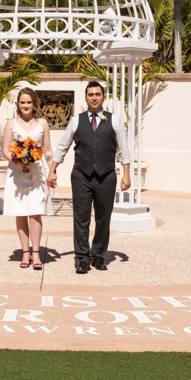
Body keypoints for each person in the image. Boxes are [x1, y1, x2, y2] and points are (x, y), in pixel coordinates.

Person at [47, 80, 131, 274]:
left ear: (103, 97)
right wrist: (53, 169)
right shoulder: (76, 120)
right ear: (86, 97)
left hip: (107, 176)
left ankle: (99, 256)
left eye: (98, 94)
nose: (94, 97)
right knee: (81, 219)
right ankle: (83, 258)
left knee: (103, 218)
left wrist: (126, 174)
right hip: (81, 176)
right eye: (91, 94)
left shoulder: (114, 120)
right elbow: (63, 146)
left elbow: (123, 149)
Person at [1, 87, 54, 269]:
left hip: (37, 172)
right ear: (18, 104)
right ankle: (25, 253)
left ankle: (37, 254)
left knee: (36, 213)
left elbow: (47, 150)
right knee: (21, 213)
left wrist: (51, 170)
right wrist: (15, 161)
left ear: (34, 104)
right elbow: (5, 149)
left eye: (29, 102)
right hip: (17, 173)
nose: (26, 105)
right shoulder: (10, 123)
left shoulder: (43, 123)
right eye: (22, 102)